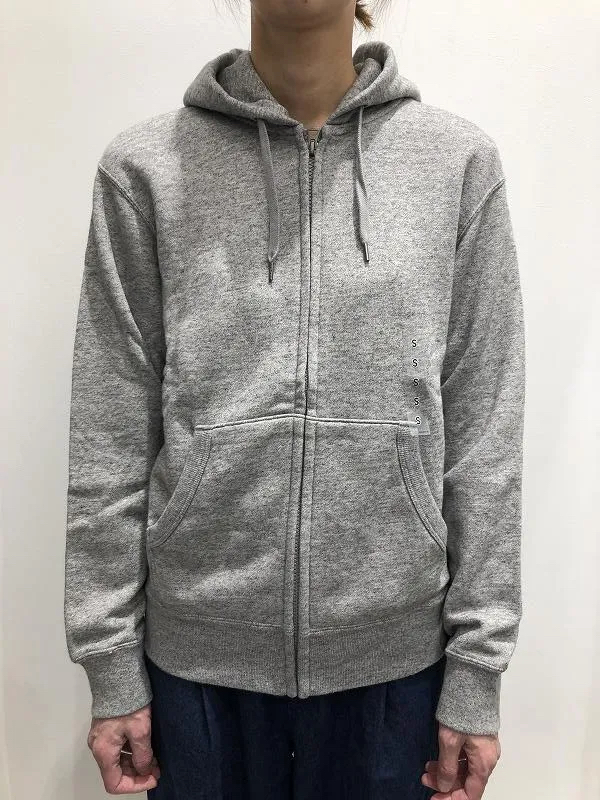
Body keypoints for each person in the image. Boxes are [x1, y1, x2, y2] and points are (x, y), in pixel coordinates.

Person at [63, 1, 526, 798]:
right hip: (197, 671)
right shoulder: (145, 169)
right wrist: (109, 663)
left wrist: (478, 669)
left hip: (394, 669)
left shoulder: (456, 165)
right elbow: (109, 430)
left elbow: (486, 431)